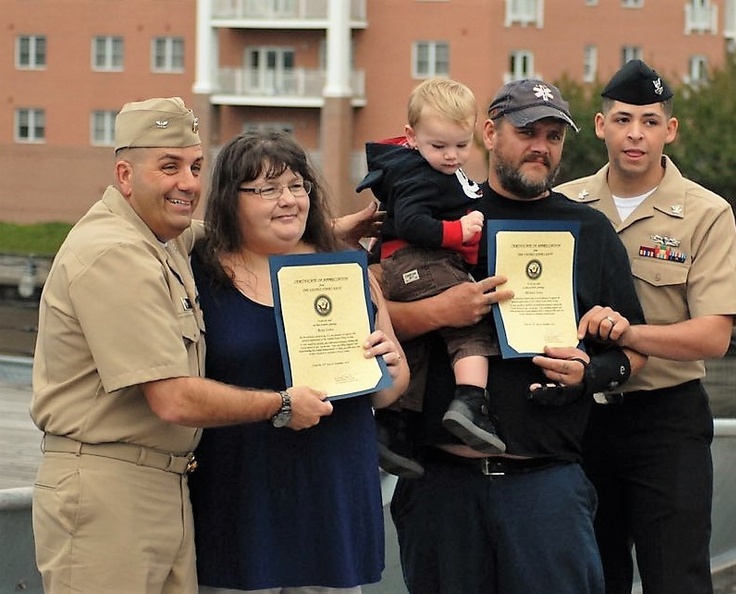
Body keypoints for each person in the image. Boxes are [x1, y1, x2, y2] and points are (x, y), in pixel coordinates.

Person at [30, 97, 333, 594]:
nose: (188, 183)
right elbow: (172, 398)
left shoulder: (162, 237)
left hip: (164, 485)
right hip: (108, 489)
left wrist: (332, 231)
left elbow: (239, 237)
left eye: (195, 167)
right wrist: (281, 404)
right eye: (168, 167)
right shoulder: (115, 253)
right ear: (125, 175)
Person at [386, 78, 647, 594]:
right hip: (442, 485)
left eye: (553, 136)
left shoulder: (589, 230)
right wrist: (442, 310)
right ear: (489, 132)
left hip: (546, 486)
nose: (541, 146)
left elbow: (635, 349)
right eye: (527, 131)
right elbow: (374, 317)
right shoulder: (440, 218)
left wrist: (589, 372)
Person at [557, 59, 736, 594]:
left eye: (648, 120)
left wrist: (629, 336)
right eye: (622, 120)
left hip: (666, 421)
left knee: (676, 575)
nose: (634, 133)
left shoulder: (706, 214)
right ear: (600, 126)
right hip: (580, 418)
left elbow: (713, 336)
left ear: (671, 129)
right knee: (593, 576)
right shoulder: (563, 207)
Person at [188, 129, 409, 593]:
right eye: (267, 189)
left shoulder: (345, 264)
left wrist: (389, 364)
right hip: (242, 499)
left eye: (297, 186)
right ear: (231, 199)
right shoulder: (200, 275)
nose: (288, 200)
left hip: (332, 492)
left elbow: (388, 391)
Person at [357, 77, 504, 477]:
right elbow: (411, 222)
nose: (451, 156)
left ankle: (394, 430)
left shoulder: (410, 171)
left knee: (415, 348)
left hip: (396, 266)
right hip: (422, 261)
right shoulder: (421, 175)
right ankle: (471, 402)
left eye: (461, 144)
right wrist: (460, 231)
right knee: (469, 325)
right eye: (439, 146)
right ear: (411, 136)